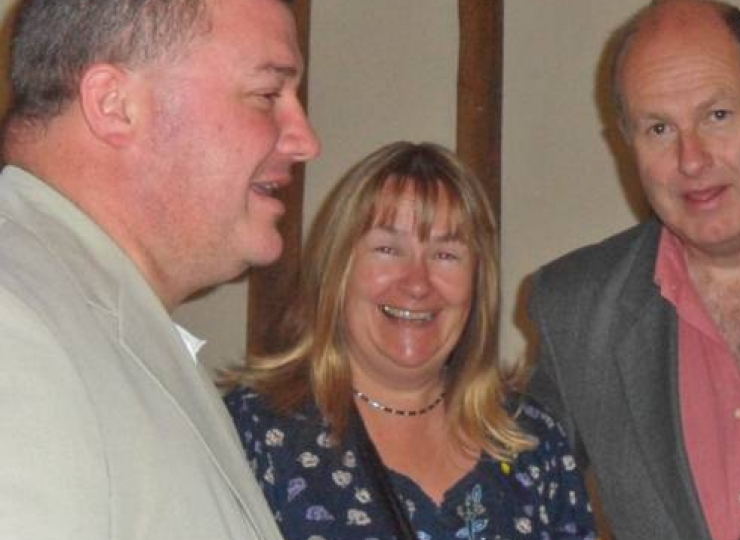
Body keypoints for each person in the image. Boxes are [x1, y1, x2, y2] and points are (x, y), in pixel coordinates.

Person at [0, 0, 319, 537]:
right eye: (267, 95)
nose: (305, 141)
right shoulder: (16, 326)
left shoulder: (85, 315)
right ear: (113, 104)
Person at [527, 1, 740, 540]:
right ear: (627, 144)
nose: (692, 159)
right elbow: (516, 497)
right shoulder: (574, 311)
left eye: (717, 116)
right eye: (659, 128)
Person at [223, 141, 596, 540]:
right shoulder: (253, 436)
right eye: (387, 249)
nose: (417, 283)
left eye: (446, 255)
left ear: (478, 281)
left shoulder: (532, 444)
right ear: (338, 269)